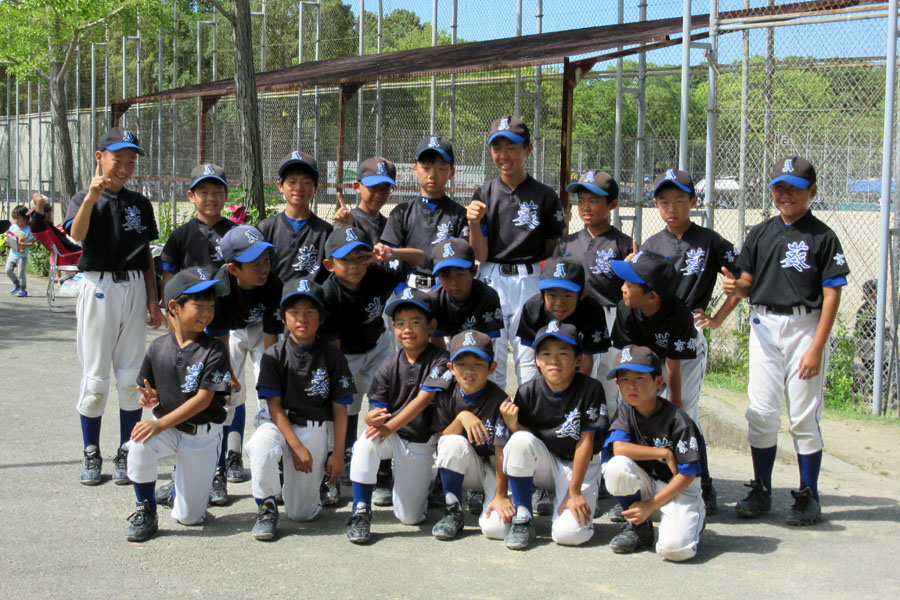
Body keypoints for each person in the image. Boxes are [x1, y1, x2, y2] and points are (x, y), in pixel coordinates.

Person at [724, 155, 849, 526]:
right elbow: (748, 284)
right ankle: (761, 489)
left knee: (803, 416)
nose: (786, 194)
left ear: (812, 191)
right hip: (764, 324)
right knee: (761, 411)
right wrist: (735, 287)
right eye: (779, 187)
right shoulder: (761, 233)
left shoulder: (823, 236)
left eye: (795, 188)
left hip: (805, 326)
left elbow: (832, 294)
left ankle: (809, 495)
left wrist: (816, 347)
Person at [638, 168, 742, 515]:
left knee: (685, 412)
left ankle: (703, 484)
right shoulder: (652, 245)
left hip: (689, 331)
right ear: (656, 204)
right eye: (664, 201)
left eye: (680, 200)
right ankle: (659, 480)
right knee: (653, 408)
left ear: (694, 202)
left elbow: (742, 278)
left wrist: (718, 317)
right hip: (656, 333)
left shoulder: (710, 240)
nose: (672, 208)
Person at [65, 127, 164, 486]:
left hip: (134, 285)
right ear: (100, 158)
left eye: (131, 162)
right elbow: (76, 235)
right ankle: (91, 451)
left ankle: (126, 449)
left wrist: (153, 298)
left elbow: (146, 255)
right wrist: (92, 197)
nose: (124, 168)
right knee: (96, 381)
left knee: (129, 378)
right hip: (99, 286)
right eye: (117, 160)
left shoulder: (140, 203)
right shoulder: (83, 197)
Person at [124, 267, 231, 541]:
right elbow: (149, 390)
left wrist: (159, 423)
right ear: (174, 307)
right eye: (199, 305)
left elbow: (203, 400)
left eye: (211, 306)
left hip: (201, 435)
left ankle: (178, 489)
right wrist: (150, 398)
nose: (207, 313)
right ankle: (146, 510)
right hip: (169, 429)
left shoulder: (215, 349)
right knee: (138, 444)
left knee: (189, 518)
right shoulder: (158, 347)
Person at [246, 277, 355, 540]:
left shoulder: (333, 356)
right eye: (294, 312)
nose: (301, 318)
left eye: (309, 312)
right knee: (261, 445)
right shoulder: (274, 355)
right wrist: (295, 447)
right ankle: (266, 507)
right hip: (278, 423)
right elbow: (274, 407)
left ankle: (299, 485)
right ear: (283, 317)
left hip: (313, 427)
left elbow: (341, 409)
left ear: (321, 317)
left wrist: (337, 453)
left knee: (302, 514)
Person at [320, 225, 422, 505]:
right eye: (346, 260)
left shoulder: (376, 273)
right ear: (330, 265)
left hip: (378, 347)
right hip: (345, 354)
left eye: (360, 257)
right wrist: (341, 379)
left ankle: (384, 469)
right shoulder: (328, 294)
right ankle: (340, 463)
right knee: (346, 406)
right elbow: (333, 346)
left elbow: (419, 258)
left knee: (384, 404)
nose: (355, 266)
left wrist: (391, 254)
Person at [345, 288, 453, 544]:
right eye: (400, 323)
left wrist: (388, 427)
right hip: (392, 435)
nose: (407, 329)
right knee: (365, 443)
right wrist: (371, 419)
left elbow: (423, 400)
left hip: (420, 441)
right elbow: (377, 409)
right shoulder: (389, 363)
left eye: (415, 322)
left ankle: (415, 487)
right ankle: (361, 509)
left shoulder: (441, 359)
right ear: (392, 327)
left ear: (431, 326)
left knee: (410, 518)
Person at [467, 115, 566, 388]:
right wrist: (473, 224)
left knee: (530, 361)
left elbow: (553, 249)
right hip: (491, 277)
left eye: (512, 147)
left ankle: (528, 414)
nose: (504, 155)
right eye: (497, 147)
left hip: (530, 278)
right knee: (490, 358)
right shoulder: (484, 193)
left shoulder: (545, 196)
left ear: (528, 149)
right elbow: (480, 255)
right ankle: (495, 414)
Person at [498, 321, 608, 550]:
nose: (553, 360)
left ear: (578, 359)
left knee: (569, 535)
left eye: (563, 353)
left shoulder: (591, 389)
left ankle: (574, 500)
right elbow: (528, 444)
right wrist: (514, 425)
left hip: (579, 465)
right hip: (547, 461)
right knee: (518, 440)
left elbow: (586, 442)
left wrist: (574, 491)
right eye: (546, 354)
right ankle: (523, 516)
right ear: (537, 360)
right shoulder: (528, 391)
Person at [202, 224, 283, 505]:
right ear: (233, 268)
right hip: (230, 333)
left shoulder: (273, 284)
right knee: (227, 396)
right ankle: (221, 467)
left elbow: (272, 337)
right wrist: (228, 375)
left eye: (266, 260)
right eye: (255, 264)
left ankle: (272, 467)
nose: (264, 268)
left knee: (269, 394)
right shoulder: (220, 287)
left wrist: (272, 377)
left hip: (261, 330)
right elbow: (219, 337)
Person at [601, 345, 706, 561]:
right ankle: (639, 528)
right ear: (617, 384)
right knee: (615, 467)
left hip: (680, 490)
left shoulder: (678, 419)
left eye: (639, 378)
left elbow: (687, 475)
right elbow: (619, 448)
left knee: (674, 551)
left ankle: (695, 515)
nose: (631, 385)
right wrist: (663, 453)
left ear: (658, 382)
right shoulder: (626, 408)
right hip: (649, 484)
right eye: (624, 379)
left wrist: (650, 505)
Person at [556, 169, 633, 409]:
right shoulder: (567, 243)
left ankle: (607, 428)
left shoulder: (623, 244)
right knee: (576, 375)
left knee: (609, 379)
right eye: (581, 201)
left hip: (610, 316)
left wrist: (633, 270)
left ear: (612, 204)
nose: (586, 207)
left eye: (594, 201)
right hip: (575, 315)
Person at [431, 330, 513, 541]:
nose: (469, 371)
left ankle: (494, 497)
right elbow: (442, 440)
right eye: (461, 364)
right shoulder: (446, 395)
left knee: (496, 530)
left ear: (492, 367)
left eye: (478, 364)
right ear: (451, 368)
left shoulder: (500, 400)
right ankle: (453, 511)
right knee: (451, 442)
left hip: (495, 466)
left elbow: (502, 451)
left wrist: (501, 495)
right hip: (467, 466)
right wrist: (461, 419)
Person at [379, 136, 469, 290]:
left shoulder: (460, 215)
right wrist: (403, 293)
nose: (432, 175)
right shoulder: (401, 213)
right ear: (415, 169)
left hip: (446, 289)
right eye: (426, 168)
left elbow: (462, 260)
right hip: (408, 288)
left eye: (441, 168)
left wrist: (439, 291)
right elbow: (389, 258)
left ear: (452, 172)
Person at [516, 256, 611, 380]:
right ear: (542, 293)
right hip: (544, 363)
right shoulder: (532, 308)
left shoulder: (592, 311)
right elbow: (534, 356)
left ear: (582, 294)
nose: (559, 303)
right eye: (552, 295)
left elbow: (586, 359)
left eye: (567, 295)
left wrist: (579, 389)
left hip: (578, 362)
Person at [257, 151, 332, 284]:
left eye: (306, 182)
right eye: (292, 182)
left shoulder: (325, 231)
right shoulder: (266, 228)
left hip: (312, 297)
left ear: (315, 187)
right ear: (280, 186)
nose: (298, 188)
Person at [159, 163, 235, 290]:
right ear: (191, 196)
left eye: (217, 192)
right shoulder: (180, 236)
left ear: (226, 196)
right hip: (193, 301)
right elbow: (169, 279)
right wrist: (170, 304)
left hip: (229, 301)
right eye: (204, 192)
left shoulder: (236, 233)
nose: (211, 198)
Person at [333, 156, 397, 246]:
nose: (378, 194)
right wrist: (345, 228)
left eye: (385, 188)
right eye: (373, 187)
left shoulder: (389, 225)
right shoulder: (348, 220)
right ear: (357, 187)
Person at [5, 204, 35, 297]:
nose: (16, 221)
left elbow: (32, 244)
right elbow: (8, 237)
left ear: (25, 218)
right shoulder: (13, 227)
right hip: (12, 254)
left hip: (22, 256)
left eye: (18, 218)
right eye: (14, 218)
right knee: (8, 270)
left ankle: (23, 290)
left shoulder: (28, 230)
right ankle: (16, 284)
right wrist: (7, 241)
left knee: (21, 273)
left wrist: (22, 245)